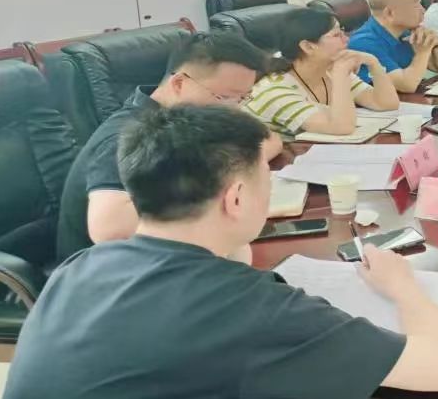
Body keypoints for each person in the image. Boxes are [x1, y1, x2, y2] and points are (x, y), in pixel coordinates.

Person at [6, 106, 438, 399]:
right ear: (235, 198)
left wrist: (230, 235)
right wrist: (403, 287)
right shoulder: (254, 311)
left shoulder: (79, 267)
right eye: (268, 181)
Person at [55, 32, 278, 263]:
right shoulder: (129, 135)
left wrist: (239, 166)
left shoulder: (186, 123)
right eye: (226, 98)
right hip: (111, 271)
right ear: (179, 83)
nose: (235, 110)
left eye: (242, 99)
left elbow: (268, 140)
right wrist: (214, 195)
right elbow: (109, 229)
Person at [244, 7, 399, 137]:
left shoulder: (328, 69)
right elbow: (341, 127)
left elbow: (386, 103)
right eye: (336, 35)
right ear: (308, 47)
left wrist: (373, 62)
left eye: (343, 32)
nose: (346, 39)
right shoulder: (276, 89)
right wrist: (341, 77)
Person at [347, 0, 438, 92]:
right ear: (390, 13)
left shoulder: (405, 32)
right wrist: (423, 52)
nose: (423, 10)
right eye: (416, 4)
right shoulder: (364, 43)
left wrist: (437, 43)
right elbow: (407, 86)